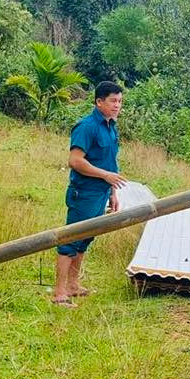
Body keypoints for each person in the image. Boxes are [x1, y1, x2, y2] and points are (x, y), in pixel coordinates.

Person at [52, 81, 126, 307]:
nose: (117, 106)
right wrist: (105, 176)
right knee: (70, 239)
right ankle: (59, 292)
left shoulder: (111, 127)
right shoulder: (87, 127)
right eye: (113, 101)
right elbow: (75, 161)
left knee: (86, 238)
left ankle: (73, 284)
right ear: (99, 102)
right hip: (84, 192)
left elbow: (110, 163)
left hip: (101, 193)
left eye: (120, 101)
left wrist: (112, 192)